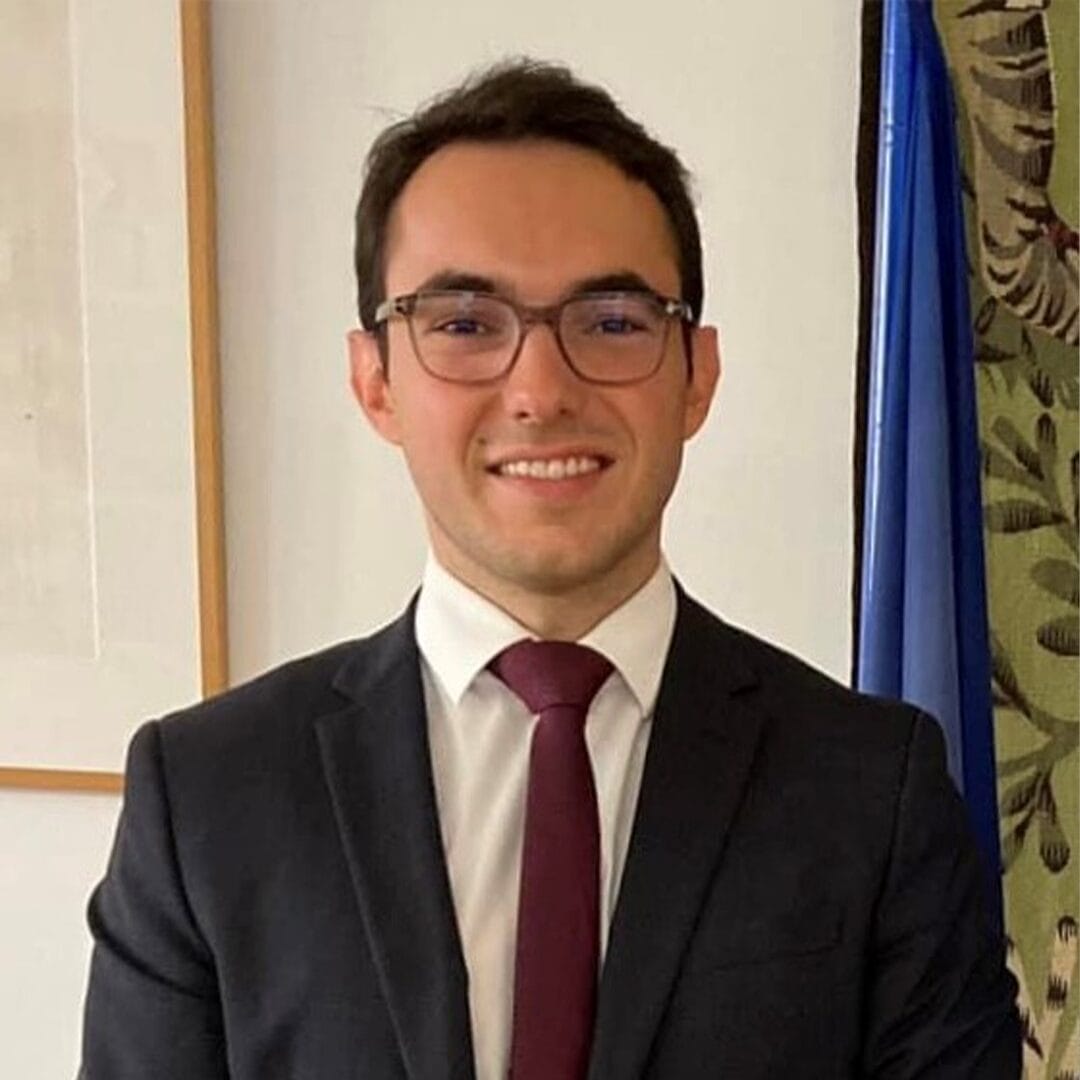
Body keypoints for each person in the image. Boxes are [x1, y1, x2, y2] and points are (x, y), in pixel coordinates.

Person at [80, 59, 1020, 1079]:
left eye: (610, 322)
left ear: (696, 376)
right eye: (464, 324)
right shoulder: (207, 797)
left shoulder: (872, 790)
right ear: (375, 380)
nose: (540, 390)